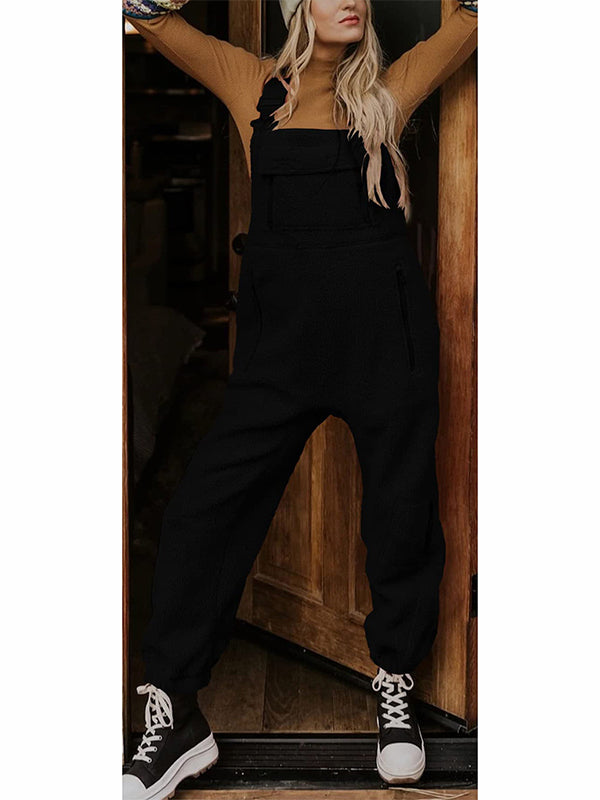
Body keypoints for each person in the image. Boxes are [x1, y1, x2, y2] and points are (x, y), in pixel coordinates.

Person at [121, 0, 478, 797]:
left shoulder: (388, 91)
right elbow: (151, 17)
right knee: (205, 511)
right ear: (297, 6)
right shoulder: (251, 84)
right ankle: (176, 713)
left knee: (400, 509)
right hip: (280, 348)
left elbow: (473, 18)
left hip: (383, 335)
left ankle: (395, 684)